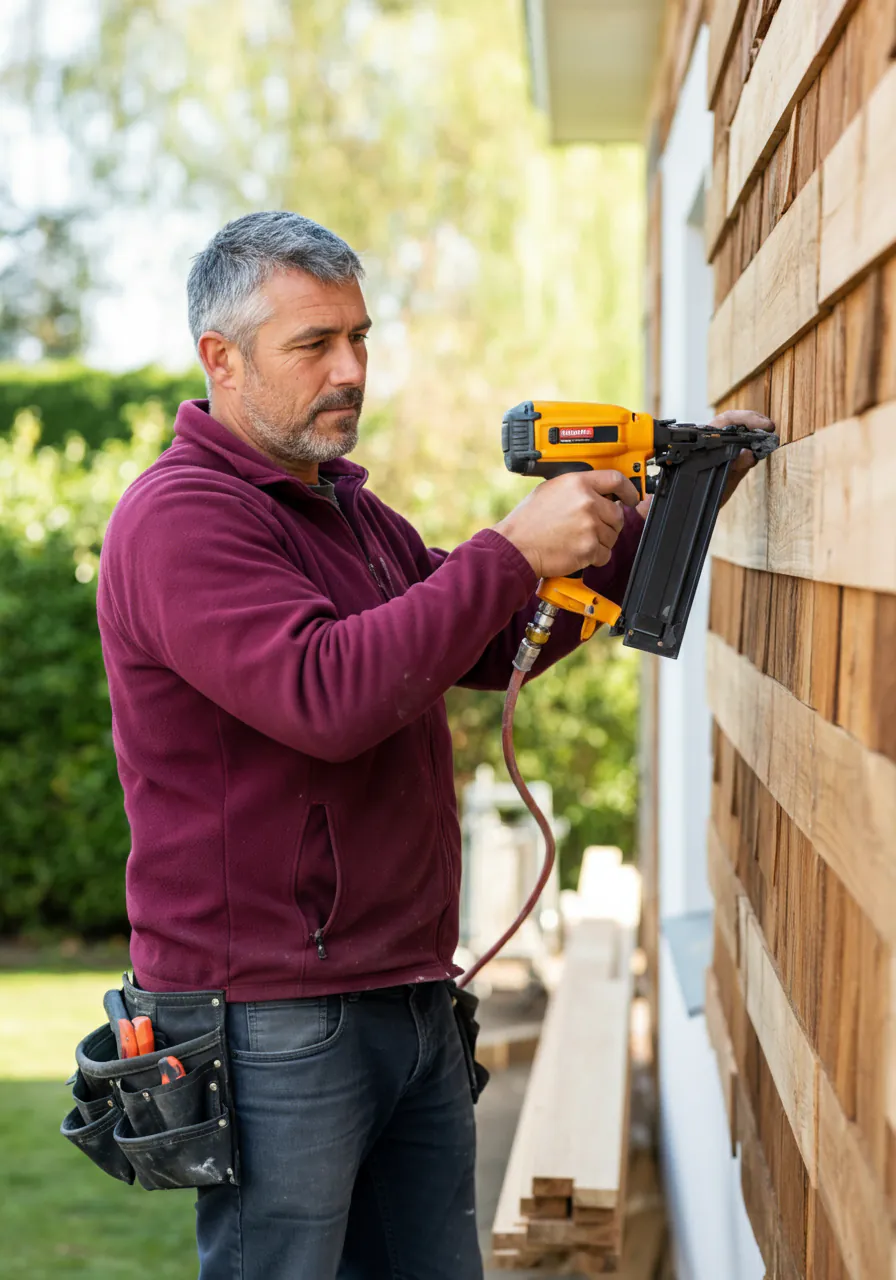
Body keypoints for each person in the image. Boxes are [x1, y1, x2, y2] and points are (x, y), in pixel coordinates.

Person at [96, 211, 770, 1279]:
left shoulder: (348, 515)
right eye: (314, 344)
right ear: (220, 359)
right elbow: (326, 693)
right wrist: (509, 550)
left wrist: (658, 508)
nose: (350, 370)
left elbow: (487, 638)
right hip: (269, 1013)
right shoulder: (181, 519)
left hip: (405, 988)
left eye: (359, 337)